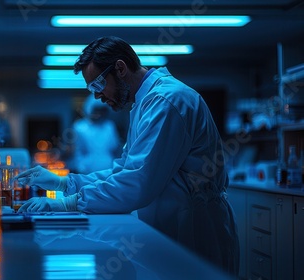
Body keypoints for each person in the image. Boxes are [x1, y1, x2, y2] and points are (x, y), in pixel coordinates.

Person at [15, 36, 239, 276]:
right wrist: (65, 182)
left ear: (120, 68)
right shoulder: (144, 104)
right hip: (171, 225)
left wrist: (68, 203)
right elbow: (123, 170)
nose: (97, 97)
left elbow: (137, 182)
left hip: (193, 230)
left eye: (98, 86)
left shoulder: (166, 101)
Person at [70, 94, 120, 173]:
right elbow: (77, 151)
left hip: (109, 169)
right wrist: (80, 167)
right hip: (87, 171)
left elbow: (114, 148)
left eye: (102, 110)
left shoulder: (109, 126)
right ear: (89, 109)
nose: (99, 113)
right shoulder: (80, 127)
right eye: (97, 110)